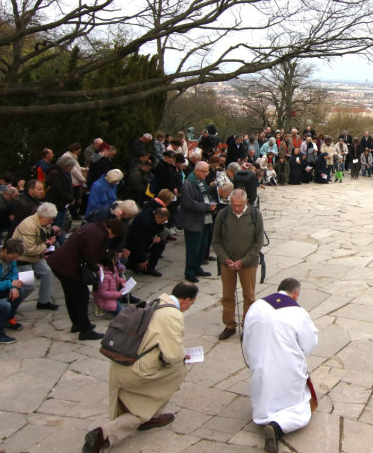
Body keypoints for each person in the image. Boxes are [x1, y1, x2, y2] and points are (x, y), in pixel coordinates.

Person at [82, 283, 199, 453]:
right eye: (192, 304)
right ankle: (105, 433)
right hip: (137, 371)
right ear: (186, 300)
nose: (189, 307)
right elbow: (173, 356)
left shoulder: (157, 301)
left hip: (121, 363)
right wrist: (182, 356)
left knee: (142, 401)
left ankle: (150, 414)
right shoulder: (172, 315)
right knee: (178, 370)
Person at [243, 278, 319, 453]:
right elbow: (309, 344)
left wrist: (253, 359)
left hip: (260, 366)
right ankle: (277, 427)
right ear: (296, 294)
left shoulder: (257, 306)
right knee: (302, 410)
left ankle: (265, 415)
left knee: (264, 395)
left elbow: (247, 336)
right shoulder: (298, 312)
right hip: (287, 369)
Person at [47, 218, 126, 340]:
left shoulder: (93, 227)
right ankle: (85, 330)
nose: (112, 237)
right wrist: (96, 269)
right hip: (69, 267)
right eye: (114, 235)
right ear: (110, 230)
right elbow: (90, 255)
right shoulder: (98, 235)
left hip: (59, 263)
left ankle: (77, 324)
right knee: (81, 296)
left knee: (71, 294)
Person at [212, 189, 265, 340]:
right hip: (227, 263)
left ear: (246, 202)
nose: (236, 208)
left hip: (248, 263)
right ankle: (229, 325)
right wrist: (225, 259)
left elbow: (258, 242)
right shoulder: (222, 215)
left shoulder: (255, 215)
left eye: (239, 205)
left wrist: (244, 261)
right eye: (233, 205)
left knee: (249, 296)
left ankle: (247, 326)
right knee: (227, 295)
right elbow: (216, 241)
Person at [11, 202, 60, 310]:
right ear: (41, 217)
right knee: (30, 285)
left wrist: (51, 233)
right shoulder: (28, 226)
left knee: (48, 272)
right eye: (49, 220)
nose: (51, 222)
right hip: (22, 258)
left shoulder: (43, 222)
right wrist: (48, 244)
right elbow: (30, 250)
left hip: (36, 256)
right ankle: (12, 304)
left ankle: (44, 301)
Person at [177, 161, 216, 283]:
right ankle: (190, 272)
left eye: (207, 171)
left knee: (202, 245)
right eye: (204, 172)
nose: (206, 174)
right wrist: (207, 207)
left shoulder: (201, 181)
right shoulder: (188, 184)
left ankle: (198, 267)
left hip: (204, 219)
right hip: (193, 221)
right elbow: (189, 203)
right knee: (193, 248)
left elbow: (206, 195)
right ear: (197, 171)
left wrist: (212, 202)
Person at [0, 238, 32, 330]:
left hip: (2, 285)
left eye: (16, 258)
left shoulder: (12, 260)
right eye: (13, 257)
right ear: (5, 251)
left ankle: (9, 317)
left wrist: (13, 287)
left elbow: (13, 273)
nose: (14, 260)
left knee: (18, 292)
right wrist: (10, 283)